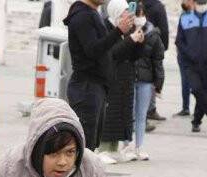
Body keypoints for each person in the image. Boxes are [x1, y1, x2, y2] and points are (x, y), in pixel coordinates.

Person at [63, 0, 135, 151]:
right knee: (85, 145)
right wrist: (118, 31)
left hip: (96, 87)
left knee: (92, 143)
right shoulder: (82, 16)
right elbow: (93, 50)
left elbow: (106, 51)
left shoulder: (92, 13)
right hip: (86, 87)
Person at [97, 0, 145, 164]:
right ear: (117, 13)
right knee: (110, 113)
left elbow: (134, 54)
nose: (128, 16)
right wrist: (130, 40)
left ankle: (114, 147)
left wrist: (138, 40)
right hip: (112, 76)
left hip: (126, 77)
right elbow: (113, 53)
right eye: (125, 13)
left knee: (122, 113)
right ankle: (103, 148)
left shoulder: (127, 29)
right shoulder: (107, 28)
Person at [176, 0, 207, 133]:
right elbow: (179, 41)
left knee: (204, 92)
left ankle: (196, 121)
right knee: (196, 89)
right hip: (191, 63)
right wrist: (189, 53)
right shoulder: (185, 18)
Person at [131, 3, 164, 160]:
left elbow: (158, 61)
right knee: (130, 113)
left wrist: (158, 84)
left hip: (145, 80)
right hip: (131, 78)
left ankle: (138, 146)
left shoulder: (153, 33)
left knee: (141, 114)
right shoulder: (127, 30)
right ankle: (128, 146)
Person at [142, 0, 168, 121]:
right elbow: (164, 28)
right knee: (154, 77)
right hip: (155, 46)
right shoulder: (158, 6)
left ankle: (145, 110)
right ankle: (150, 110)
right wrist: (164, 47)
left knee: (143, 77)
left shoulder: (137, 4)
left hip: (138, 43)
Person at [173, 0, 193, 117]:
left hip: (188, 54)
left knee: (188, 81)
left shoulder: (191, 16)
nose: (183, 2)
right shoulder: (184, 15)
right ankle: (186, 107)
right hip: (184, 54)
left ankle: (189, 107)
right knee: (185, 81)